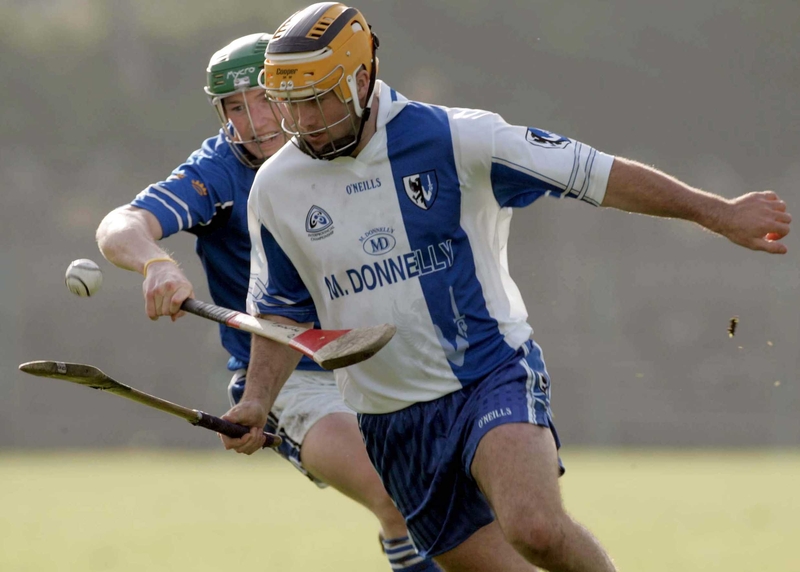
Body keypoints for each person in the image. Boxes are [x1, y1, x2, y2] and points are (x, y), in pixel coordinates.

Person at [221, 4, 792, 572]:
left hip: (488, 375)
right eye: (292, 104)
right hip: (390, 420)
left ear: (362, 79)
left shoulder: (457, 138)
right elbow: (278, 314)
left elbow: (593, 173)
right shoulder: (275, 187)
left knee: (536, 529)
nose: (305, 120)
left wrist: (716, 213)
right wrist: (256, 402)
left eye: (318, 98)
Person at [95, 32, 440, 572]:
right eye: (235, 107)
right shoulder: (218, 170)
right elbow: (120, 225)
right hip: (290, 378)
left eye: (262, 99)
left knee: (467, 508)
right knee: (396, 496)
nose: (253, 123)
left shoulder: (355, 145)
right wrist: (155, 263)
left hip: (381, 357)